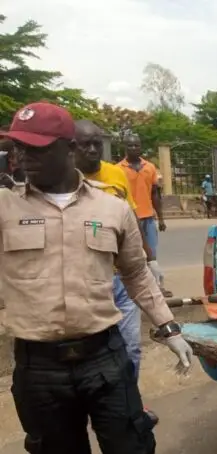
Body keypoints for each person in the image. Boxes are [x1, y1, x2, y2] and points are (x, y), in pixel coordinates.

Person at [0, 102, 194, 454]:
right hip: (38, 366)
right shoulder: (4, 208)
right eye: (17, 148)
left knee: (129, 448)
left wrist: (168, 327)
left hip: (102, 355)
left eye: (35, 148)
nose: (22, 157)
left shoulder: (112, 208)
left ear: (68, 149)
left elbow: (137, 275)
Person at [73, 119, 161, 428]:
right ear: (70, 147)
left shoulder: (115, 174)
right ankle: (95, 409)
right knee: (94, 353)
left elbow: (130, 217)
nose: (92, 149)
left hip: (121, 278)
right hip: (87, 283)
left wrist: (148, 257)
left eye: (97, 143)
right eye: (85, 144)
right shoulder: (61, 181)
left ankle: (129, 403)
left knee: (131, 346)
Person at [117, 135, 171, 297]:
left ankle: (157, 286)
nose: (133, 148)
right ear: (125, 148)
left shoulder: (150, 167)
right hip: (128, 219)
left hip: (147, 218)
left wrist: (161, 218)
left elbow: (155, 194)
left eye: (136, 145)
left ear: (141, 147)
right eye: (130, 145)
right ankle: (130, 289)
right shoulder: (118, 169)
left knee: (151, 254)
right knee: (130, 255)